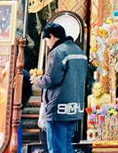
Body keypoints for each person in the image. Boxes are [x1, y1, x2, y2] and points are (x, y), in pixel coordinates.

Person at [30, 22, 89, 153]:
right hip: (74, 108)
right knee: (67, 146)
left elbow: (50, 79)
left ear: (51, 36)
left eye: (46, 40)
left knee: (56, 148)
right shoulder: (79, 52)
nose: (48, 44)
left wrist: (36, 80)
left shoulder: (57, 52)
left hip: (58, 108)